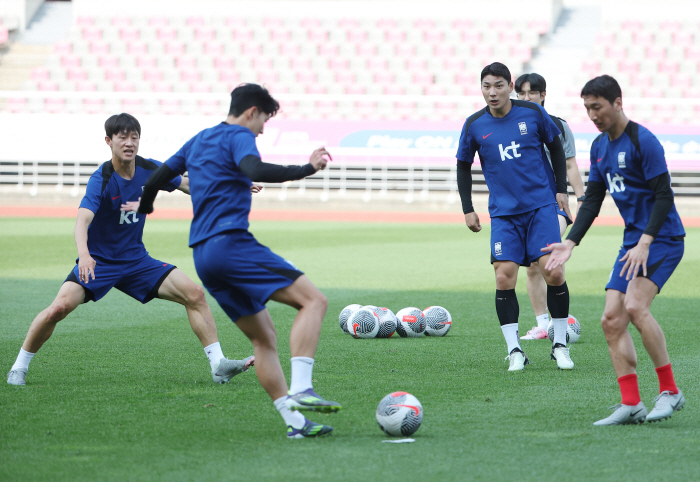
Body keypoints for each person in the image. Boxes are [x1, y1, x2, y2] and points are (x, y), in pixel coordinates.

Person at [133, 83, 340, 439]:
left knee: (264, 340)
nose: (262, 129)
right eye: (263, 120)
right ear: (250, 113)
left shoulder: (200, 139)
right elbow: (252, 167)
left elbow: (155, 177)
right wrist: (306, 168)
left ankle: (296, 425)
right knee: (314, 301)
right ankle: (303, 388)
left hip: (204, 257)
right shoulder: (240, 136)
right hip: (232, 245)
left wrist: (147, 204)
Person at [6, 114, 254, 387]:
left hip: (137, 261)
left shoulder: (150, 169)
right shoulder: (101, 178)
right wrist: (85, 255)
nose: (129, 142)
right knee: (58, 308)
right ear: (108, 141)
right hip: (99, 262)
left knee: (194, 294)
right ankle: (19, 367)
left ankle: (218, 365)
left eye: (134, 137)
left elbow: (186, 184)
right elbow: (82, 221)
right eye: (122, 137)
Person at [543, 75, 685, 425]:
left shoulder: (643, 140)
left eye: (597, 106)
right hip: (631, 243)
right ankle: (631, 403)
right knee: (610, 320)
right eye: (587, 108)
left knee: (636, 306)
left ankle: (670, 392)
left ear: (617, 103)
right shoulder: (599, 147)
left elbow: (664, 196)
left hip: (662, 239)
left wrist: (646, 241)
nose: (592, 114)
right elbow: (592, 200)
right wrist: (571, 240)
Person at [456, 62, 574, 372]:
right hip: (504, 214)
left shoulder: (533, 114)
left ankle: (559, 345)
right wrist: (468, 207)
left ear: (510, 85)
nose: (492, 92)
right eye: (486, 86)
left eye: (498, 85)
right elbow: (463, 165)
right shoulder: (474, 125)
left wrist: (561, 189)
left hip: (540, 208)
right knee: (503, 275)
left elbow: (556, 147)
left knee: (554, 273)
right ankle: (515, 351)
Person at [514, 73, 586, 340]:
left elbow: (570, 165)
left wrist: (581, 199)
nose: (525, 98)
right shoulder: (510, 127)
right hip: (525, 205)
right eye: (520, 94)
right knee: (532, 266)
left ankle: (559, 321)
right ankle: (543, 324)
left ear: (543, 95)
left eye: (531, 93)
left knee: (549, 258)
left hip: (555, 204)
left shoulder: (558, 125)